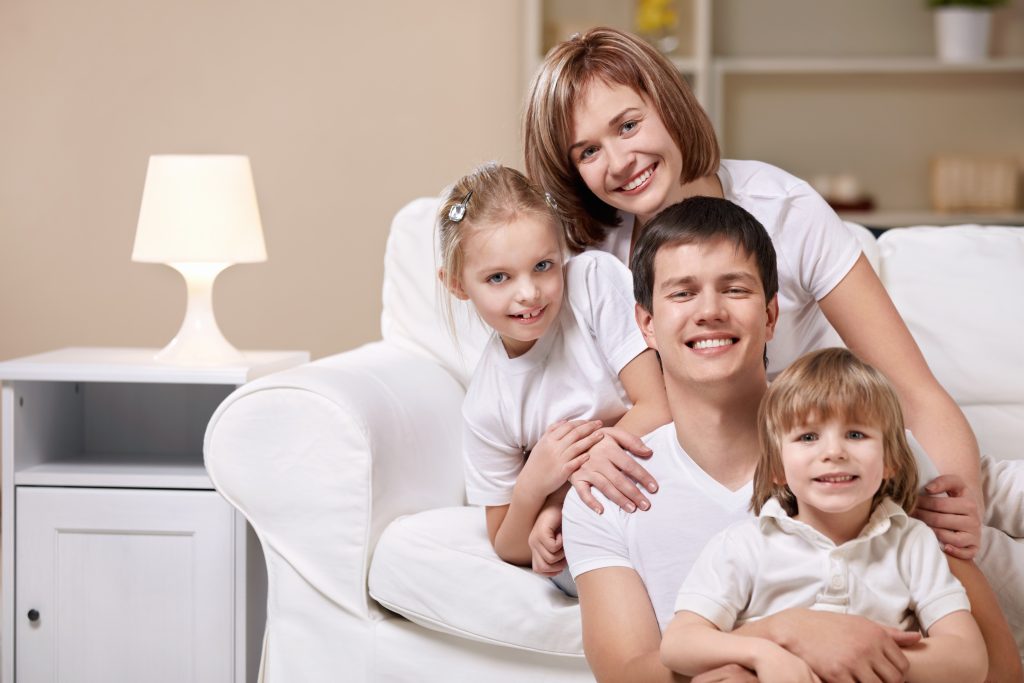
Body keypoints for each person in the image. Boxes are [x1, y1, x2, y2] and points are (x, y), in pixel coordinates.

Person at [522, 27, 985, 551]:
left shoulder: (784, 210)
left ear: (669, 106)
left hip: (809, 475)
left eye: (628, 125)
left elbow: (915, 392)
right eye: (588, 152)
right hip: (687, 490)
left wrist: (957, 505)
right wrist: (566, 492)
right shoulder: (593, 259)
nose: (620, 161)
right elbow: (588, 409)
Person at [559, 196, 1020, 682]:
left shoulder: (867, 452)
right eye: (682, 293)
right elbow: (626, 672)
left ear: (771, 315)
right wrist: (787, 633)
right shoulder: (605, 494)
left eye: (734, 289)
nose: (709, 311)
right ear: (646, 324)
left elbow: (1000, 668)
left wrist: (855, 650)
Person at [660, 348, 987, 683]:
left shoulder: (910, 542)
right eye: (808, 437)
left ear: (891, 461)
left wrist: (862, 658)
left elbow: (968, 658)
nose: (834, 452)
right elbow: (679, 645)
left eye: (856, 434)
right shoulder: (744, 545)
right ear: (777, 468)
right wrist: (765, 653)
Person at [435, 163, 669, 589]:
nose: (529, 292)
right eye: (499, 278)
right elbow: (508, 544)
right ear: (457, 284)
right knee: (564, 556)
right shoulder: (488, 405)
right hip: (593, 514)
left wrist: (560, 493)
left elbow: (658, 406)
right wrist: (534, 485)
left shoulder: (592, 284)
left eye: (543, 265)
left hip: (659, 471)